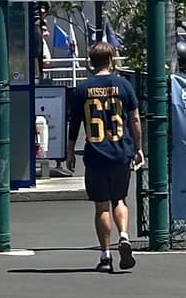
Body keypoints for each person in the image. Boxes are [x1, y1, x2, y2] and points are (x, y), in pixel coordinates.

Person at [67, 39, 143, 273]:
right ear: (111, 60)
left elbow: (75, 123)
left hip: (96, 153)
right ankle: (124, 235)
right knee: (119, 199)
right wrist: (138, 148)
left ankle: (105, 255)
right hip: (121, 151)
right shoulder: (123, 86)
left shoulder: (82, 89)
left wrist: (70, 151)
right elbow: (135, 119)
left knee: (101, 206)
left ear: (91, 62)